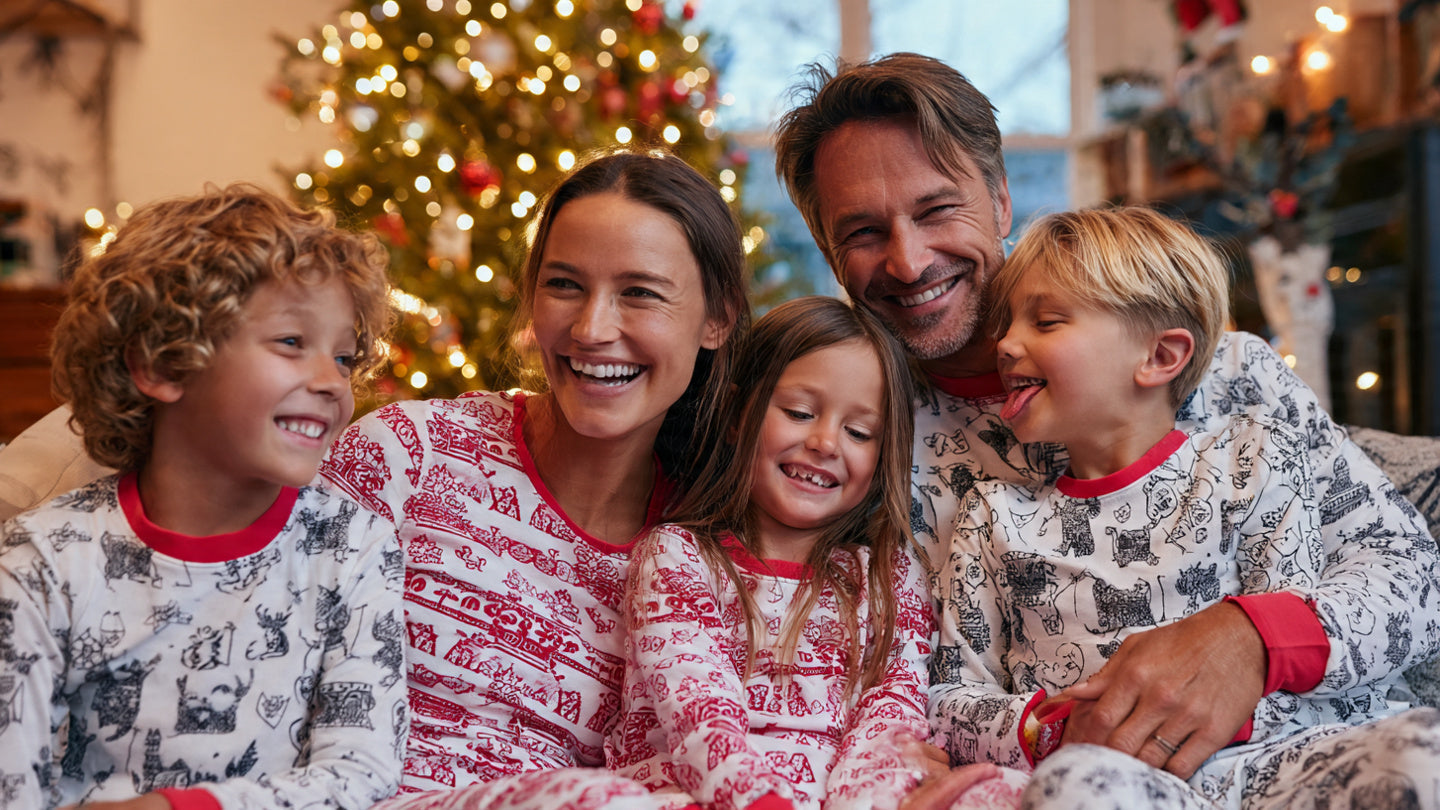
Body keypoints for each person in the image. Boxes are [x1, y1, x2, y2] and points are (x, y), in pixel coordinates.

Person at [773, 52, 1440, 806]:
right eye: (862, 231)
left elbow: (1414, 576)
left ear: (998, 200)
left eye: (935, 210)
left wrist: (1252, 638)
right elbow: (883, 684)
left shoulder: (1229, 381)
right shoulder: (852, 451)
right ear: (830, 254)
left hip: (1308, 757)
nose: (908, 258)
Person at [934, 205, 1440, 807]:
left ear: (1160, 357)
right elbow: (949, 697)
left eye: (1045, 322)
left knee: (1422, 747)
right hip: (1121, 779)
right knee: (1073, 788)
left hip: (1283, 758)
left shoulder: (1252, 459)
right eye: (1008, 323)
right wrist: (1052, 730)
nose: (1006, 344)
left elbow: (1292, 644)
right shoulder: (993, 516)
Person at [318, 150, 752, 809]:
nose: (591, 328)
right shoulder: (407, 455)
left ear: (716, 318)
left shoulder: (709, 554)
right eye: (565, 285)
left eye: (639, 292)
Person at [0, 184, 407, 809]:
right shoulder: (42, 562)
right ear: (162, 365)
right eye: (292, 342)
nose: (333, 382)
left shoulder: (355, 547)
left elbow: (362, 771)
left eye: (346, 358)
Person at [607, 296, 1010, 810]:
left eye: (859, 432)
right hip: (693, 794)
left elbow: (891, 718)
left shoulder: (889, 575)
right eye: (800, 413)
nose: (824, 442)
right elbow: (696, 709)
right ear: (737, 414)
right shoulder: (676, 556)